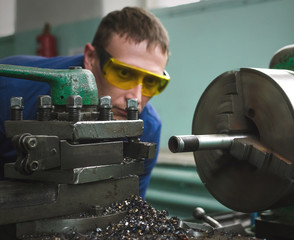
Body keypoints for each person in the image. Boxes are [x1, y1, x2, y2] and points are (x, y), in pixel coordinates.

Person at [0, 7, 170, 199]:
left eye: (151, 82)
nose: (137, 98)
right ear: (91, 57)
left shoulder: (147, 127)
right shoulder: (10, 88)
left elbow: (130, 202)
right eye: (123, 73)